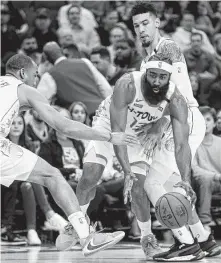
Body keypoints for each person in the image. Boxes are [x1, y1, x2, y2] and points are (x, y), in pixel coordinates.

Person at [0, 54, 137, 255]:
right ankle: (86, 236)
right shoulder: (24, 89)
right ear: (22, 73)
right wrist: (108, 136)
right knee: (52, 176)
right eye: (35, 75)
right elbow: (64, 126)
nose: (37, 80)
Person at [110, 54, 221, 261]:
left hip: (186, 124)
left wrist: (186, 180)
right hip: (175, 125)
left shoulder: (175, 98)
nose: (157, 82)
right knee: (168, 183)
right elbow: (118, 130)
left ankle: (185, 244)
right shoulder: (127, 84)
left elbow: (181, 145)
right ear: (145, 73)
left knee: (152, 184)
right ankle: (202, 237)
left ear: (170, 77)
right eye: (153, 76)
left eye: (163, 77)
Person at [37, 42, 112, 115]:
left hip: (80, 117)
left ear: (46, 57)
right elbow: (106, 88)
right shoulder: (85, 62)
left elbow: (39, 102)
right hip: (102, 112)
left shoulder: (50, 75)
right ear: (61, 51)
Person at [192, 106, 221, 230]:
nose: (205, 123)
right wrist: (216, 176)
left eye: (208, 119)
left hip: (218, 182)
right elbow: (195, 170)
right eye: (201, 120)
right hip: (199, 182)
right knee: (205, 179)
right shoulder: (192, 143)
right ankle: (205, 222)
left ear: (215, 123)